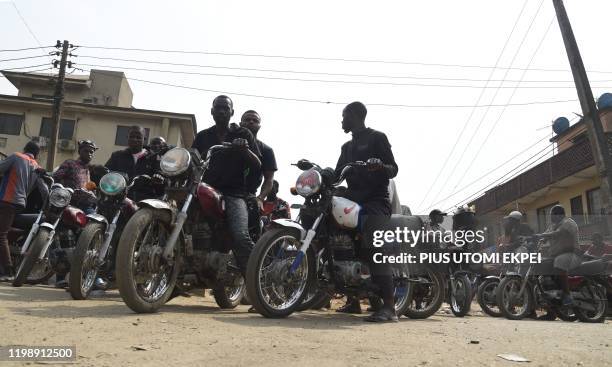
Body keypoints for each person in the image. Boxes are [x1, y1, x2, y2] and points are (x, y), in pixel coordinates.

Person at [333, 101, 399, 322]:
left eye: (344, 116)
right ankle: (353, 301)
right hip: (354, 199)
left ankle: (390, 308)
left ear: (355, 116)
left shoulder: (377, 137)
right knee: (334, 231)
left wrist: (380, 166)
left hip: (376, 201)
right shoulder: (346, 147)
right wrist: (319, 172)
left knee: (374, 245)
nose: (342, 121)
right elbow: (336, 174)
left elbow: (393, 169)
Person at [192, 95, 261, 275]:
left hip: (233, 194)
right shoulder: (202, 136)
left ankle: (254, 281)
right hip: (205, 190)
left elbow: (257, 164)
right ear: (212, 111)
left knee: (240, 235)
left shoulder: (242, 134)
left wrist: (244, 149)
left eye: (225, 108)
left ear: (232, 112)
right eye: (218, 108)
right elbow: (192, 159)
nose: (222, 111)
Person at [0, 141, 44, 281]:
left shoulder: (16, 156)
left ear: (24, 148)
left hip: (7, 200)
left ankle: (8, 271)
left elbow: (1, 168)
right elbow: (44, 189)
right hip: (20, 203)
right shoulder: (37, 167)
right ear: (37, 154)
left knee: (1, 235)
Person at [535, 205, 581, 306]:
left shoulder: (568, 223)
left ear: (560, 215)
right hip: (556, 255)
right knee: (542, 265)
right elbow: (546, 235)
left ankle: (567, 294)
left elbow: (558, 233)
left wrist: (542, 236)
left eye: (552, 215)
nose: (550, 217)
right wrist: (534, 239)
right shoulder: (552, 226)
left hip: (571, 254)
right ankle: (551, 304)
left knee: (559, 262)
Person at [239, 110, 278, 210]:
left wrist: (260, 198)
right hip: (220, 189)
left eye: (255, 120)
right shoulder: (228, 141)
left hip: (248, 195)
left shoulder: (267, 150)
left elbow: (269, 179)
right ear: (240, 123)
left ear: (259, 125)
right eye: (247, 119)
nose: (251, 122)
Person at [53, 140, 99, 214]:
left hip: (85, 205)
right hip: (68, 202)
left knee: (96, 221)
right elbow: (56, 177)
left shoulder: (87, 170)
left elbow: (88, 187)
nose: (89, 154)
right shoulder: (70, 163)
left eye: (91, 152)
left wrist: (93, 193)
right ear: (79, 151)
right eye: (86, 151)